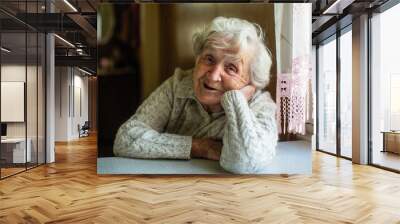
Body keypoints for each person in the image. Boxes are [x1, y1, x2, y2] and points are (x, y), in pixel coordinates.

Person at [113, 17, 278, 174]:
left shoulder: (261, 106)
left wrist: (236, 101)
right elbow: (125, 139)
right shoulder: (179, 85)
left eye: (231, 68)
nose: (213, 76)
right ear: (198, 58)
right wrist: (198, 147)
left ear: (250, 81)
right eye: (209, 59)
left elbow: (246, 162)